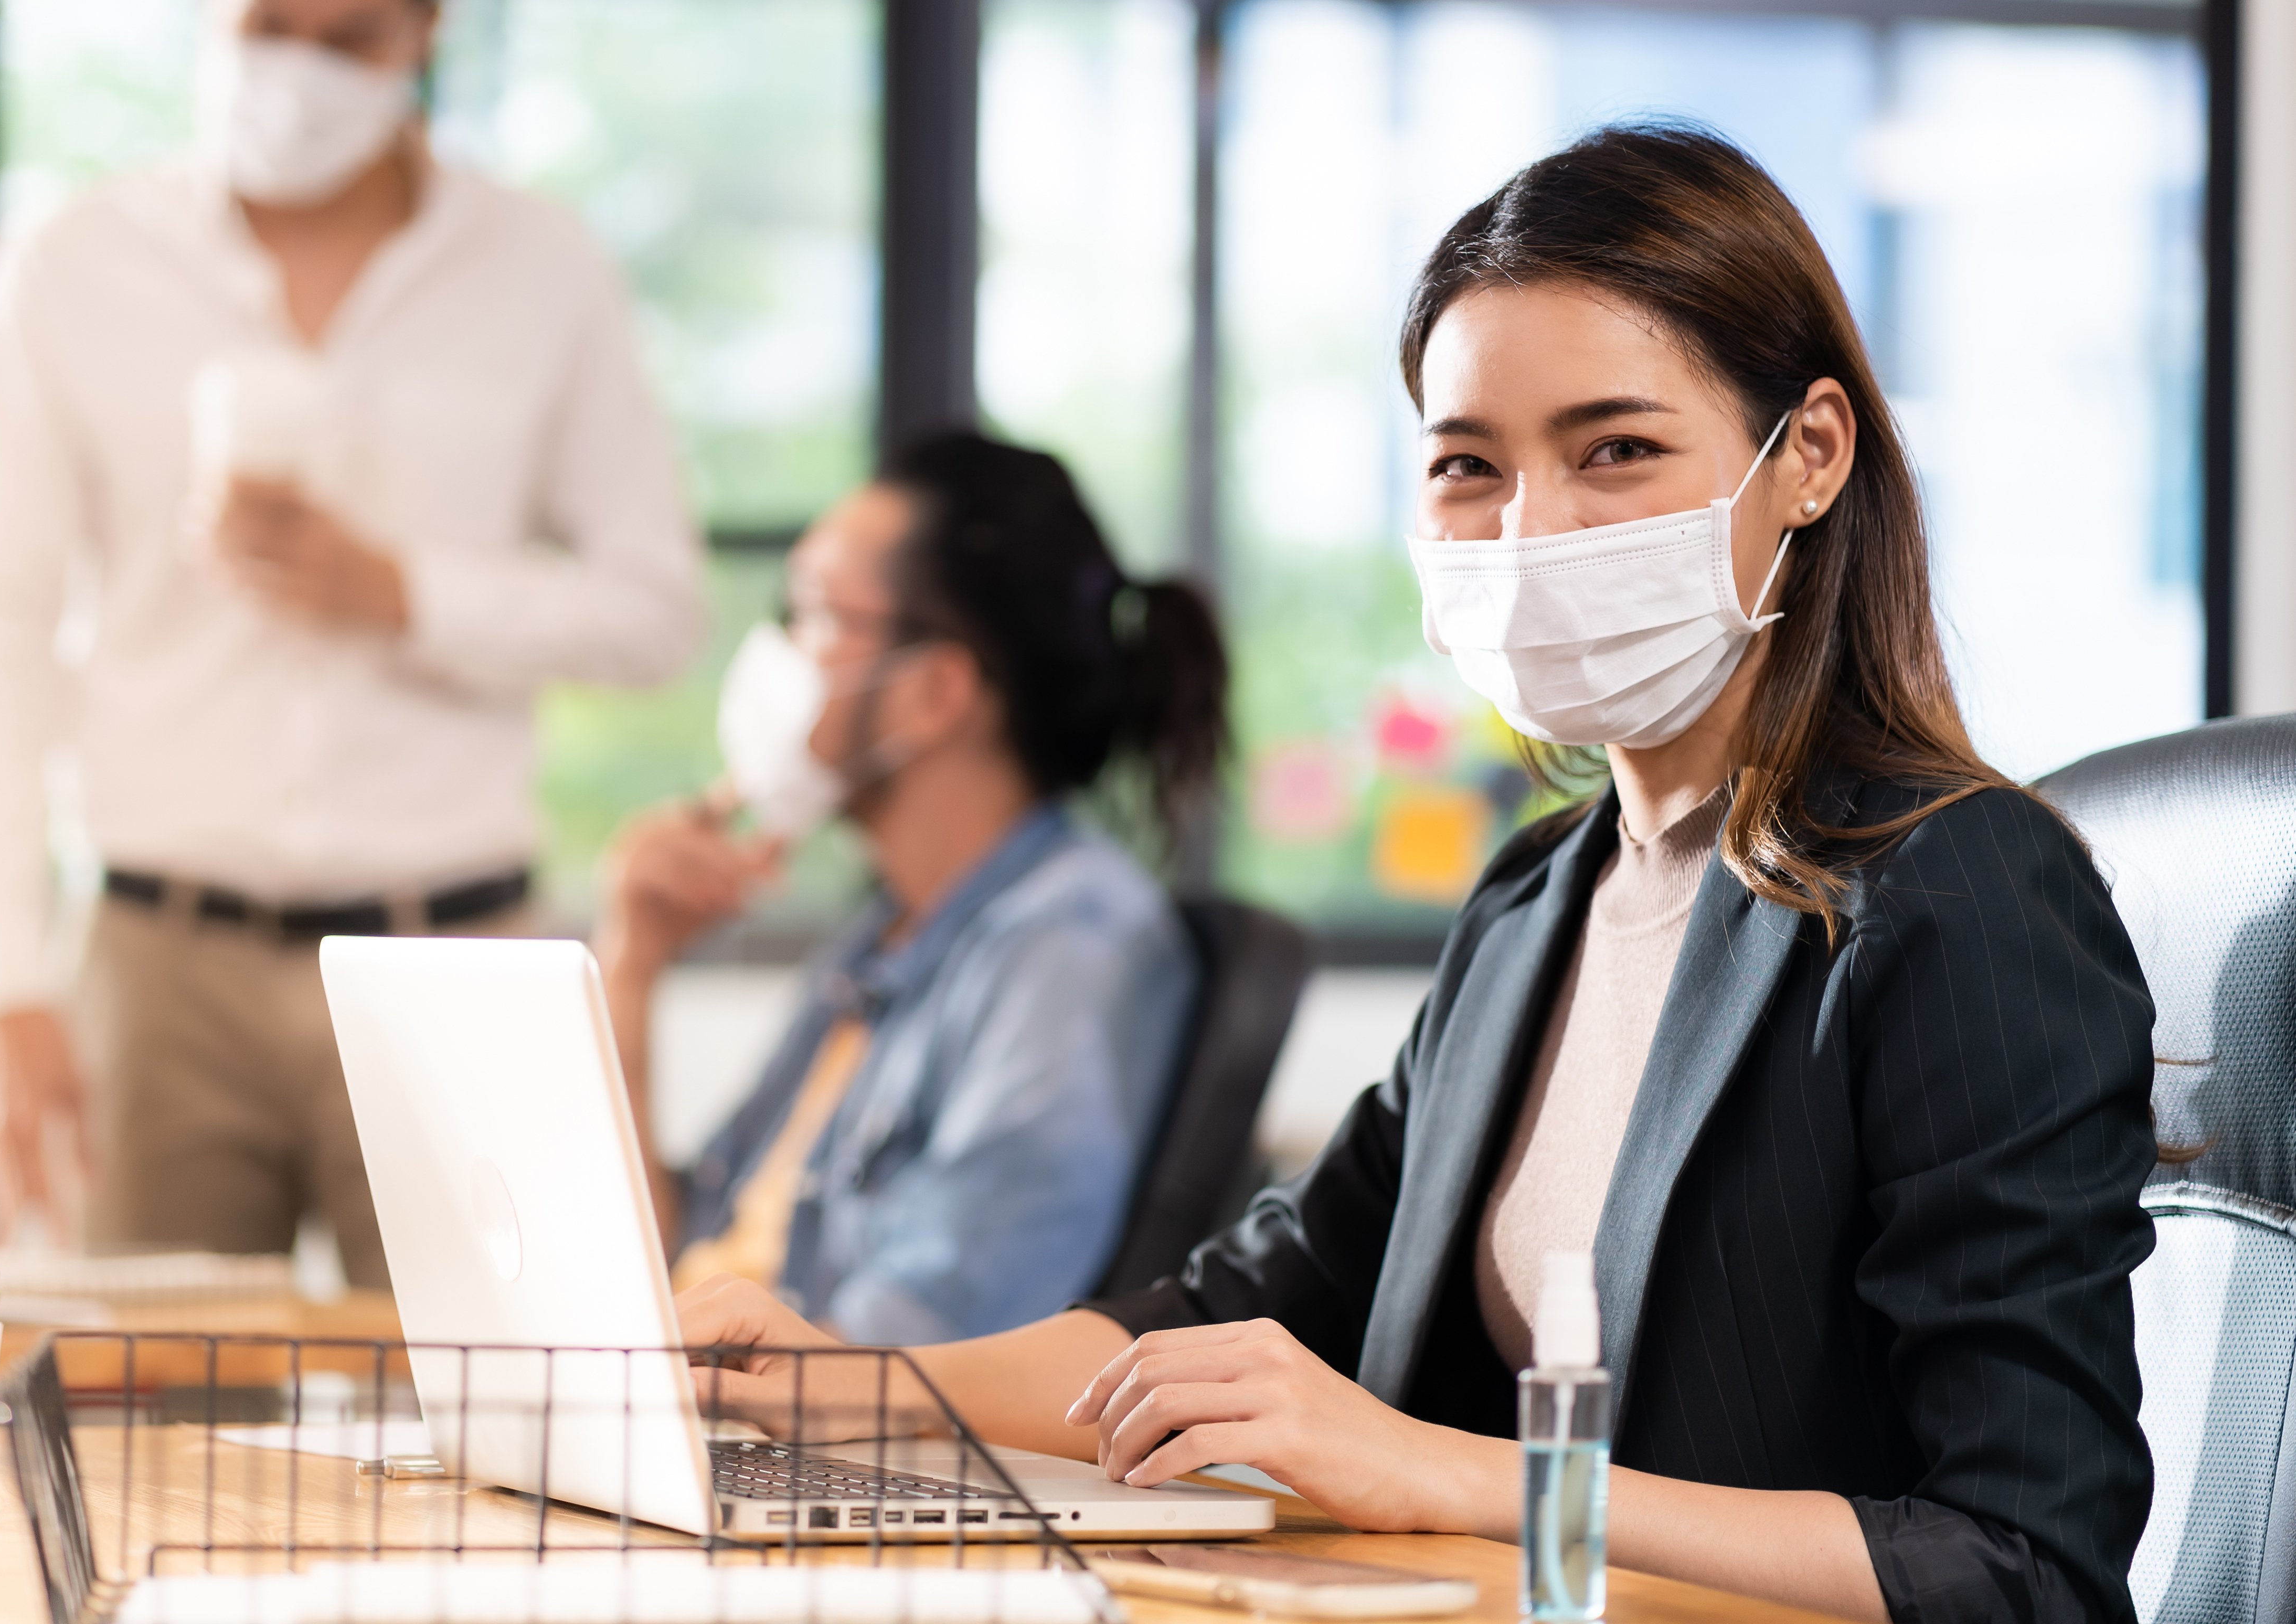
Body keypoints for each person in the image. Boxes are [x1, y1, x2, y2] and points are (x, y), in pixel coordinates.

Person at [681, 127, 2156, 1624]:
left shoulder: (1957, 891)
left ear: (1810, 459)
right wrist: (847, 1388)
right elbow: (1237, 1317)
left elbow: (2022, 1564)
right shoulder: (1534, 902)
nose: (1530, 531)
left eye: (1617, 451)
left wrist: (1454, 1474)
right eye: (1468, 467)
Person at [0, 0, 702, 1274]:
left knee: (510, 1454)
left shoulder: (539, 269)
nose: (301, 73)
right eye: (270, 22)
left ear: (427, 32)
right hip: (157, 960)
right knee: (138, 1446)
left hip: (460, 954)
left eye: (352, 42)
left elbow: (654, 608)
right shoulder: (68, 265)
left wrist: (403, 594)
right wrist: (1, 986)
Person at [598, 431, 1230, 1345]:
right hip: (701, 1428)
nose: (775, 654)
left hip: (815, 1457)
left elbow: (922, 1352)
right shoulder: (886, 938)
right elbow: (668, 1260)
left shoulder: (1067, 947)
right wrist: (632, 964)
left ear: (936, 692)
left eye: (813, 614)